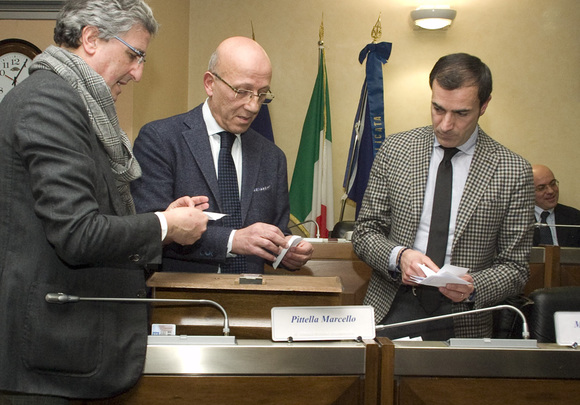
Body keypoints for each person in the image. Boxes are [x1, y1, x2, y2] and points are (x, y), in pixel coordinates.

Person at [0, 1, 209, 405]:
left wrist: (161, 219)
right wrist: (163, 226)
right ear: (91, 38)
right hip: (42, 361)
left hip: (61, 355)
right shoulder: (51, 102)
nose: (138, 73)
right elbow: (78, 234)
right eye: (134, 55)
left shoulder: (71, 100)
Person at [352, 53, 535, 340]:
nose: (445, 125)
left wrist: (474, 285)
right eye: (438, 109)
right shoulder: (396, 150)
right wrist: (399, 257)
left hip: (465, 316)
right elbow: (365, 231)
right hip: (393, 304)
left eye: (461, 113)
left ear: (484, 106)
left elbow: (515, 267)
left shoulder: (512, 170)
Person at [131, 36, 313, 274]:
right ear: (210, 83)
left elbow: (276, 232)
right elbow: (148, 231)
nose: (253, 106)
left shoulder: (272, 157)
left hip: (252, 294)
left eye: (262, 93)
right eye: (242, 91)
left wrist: (287, 251)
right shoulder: (161, 140)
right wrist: (231, 240)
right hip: (181, 293)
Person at [532, 164, 580, 247]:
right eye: (541, 188)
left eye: (553, 184)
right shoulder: (516, 218)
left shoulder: (575, 217)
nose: (550, 191)